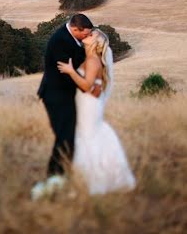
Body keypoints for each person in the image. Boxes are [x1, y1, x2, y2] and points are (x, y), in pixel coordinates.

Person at [57, 28, 136, 195]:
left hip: (88, 105)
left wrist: (71, 71)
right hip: (87, 101)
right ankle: (88, 179)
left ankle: (94, 181)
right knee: (87, 136)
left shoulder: (93, 61)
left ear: (96, 43)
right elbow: (95, 87)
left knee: (87, 136)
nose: (88, 34)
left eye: (92, 35)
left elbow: (86, 86)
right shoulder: (89, 59)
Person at [36, 13, 92, 177]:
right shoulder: (61, 40)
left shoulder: (72, 38)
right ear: (75, 29)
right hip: (55, 95)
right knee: (64, 135)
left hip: (64, 94)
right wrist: (87, 86)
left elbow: (77, 58)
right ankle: (54, 174)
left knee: (67, 135)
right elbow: (67, 72)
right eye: (85, 34)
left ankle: (62, 172)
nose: (86, 37)